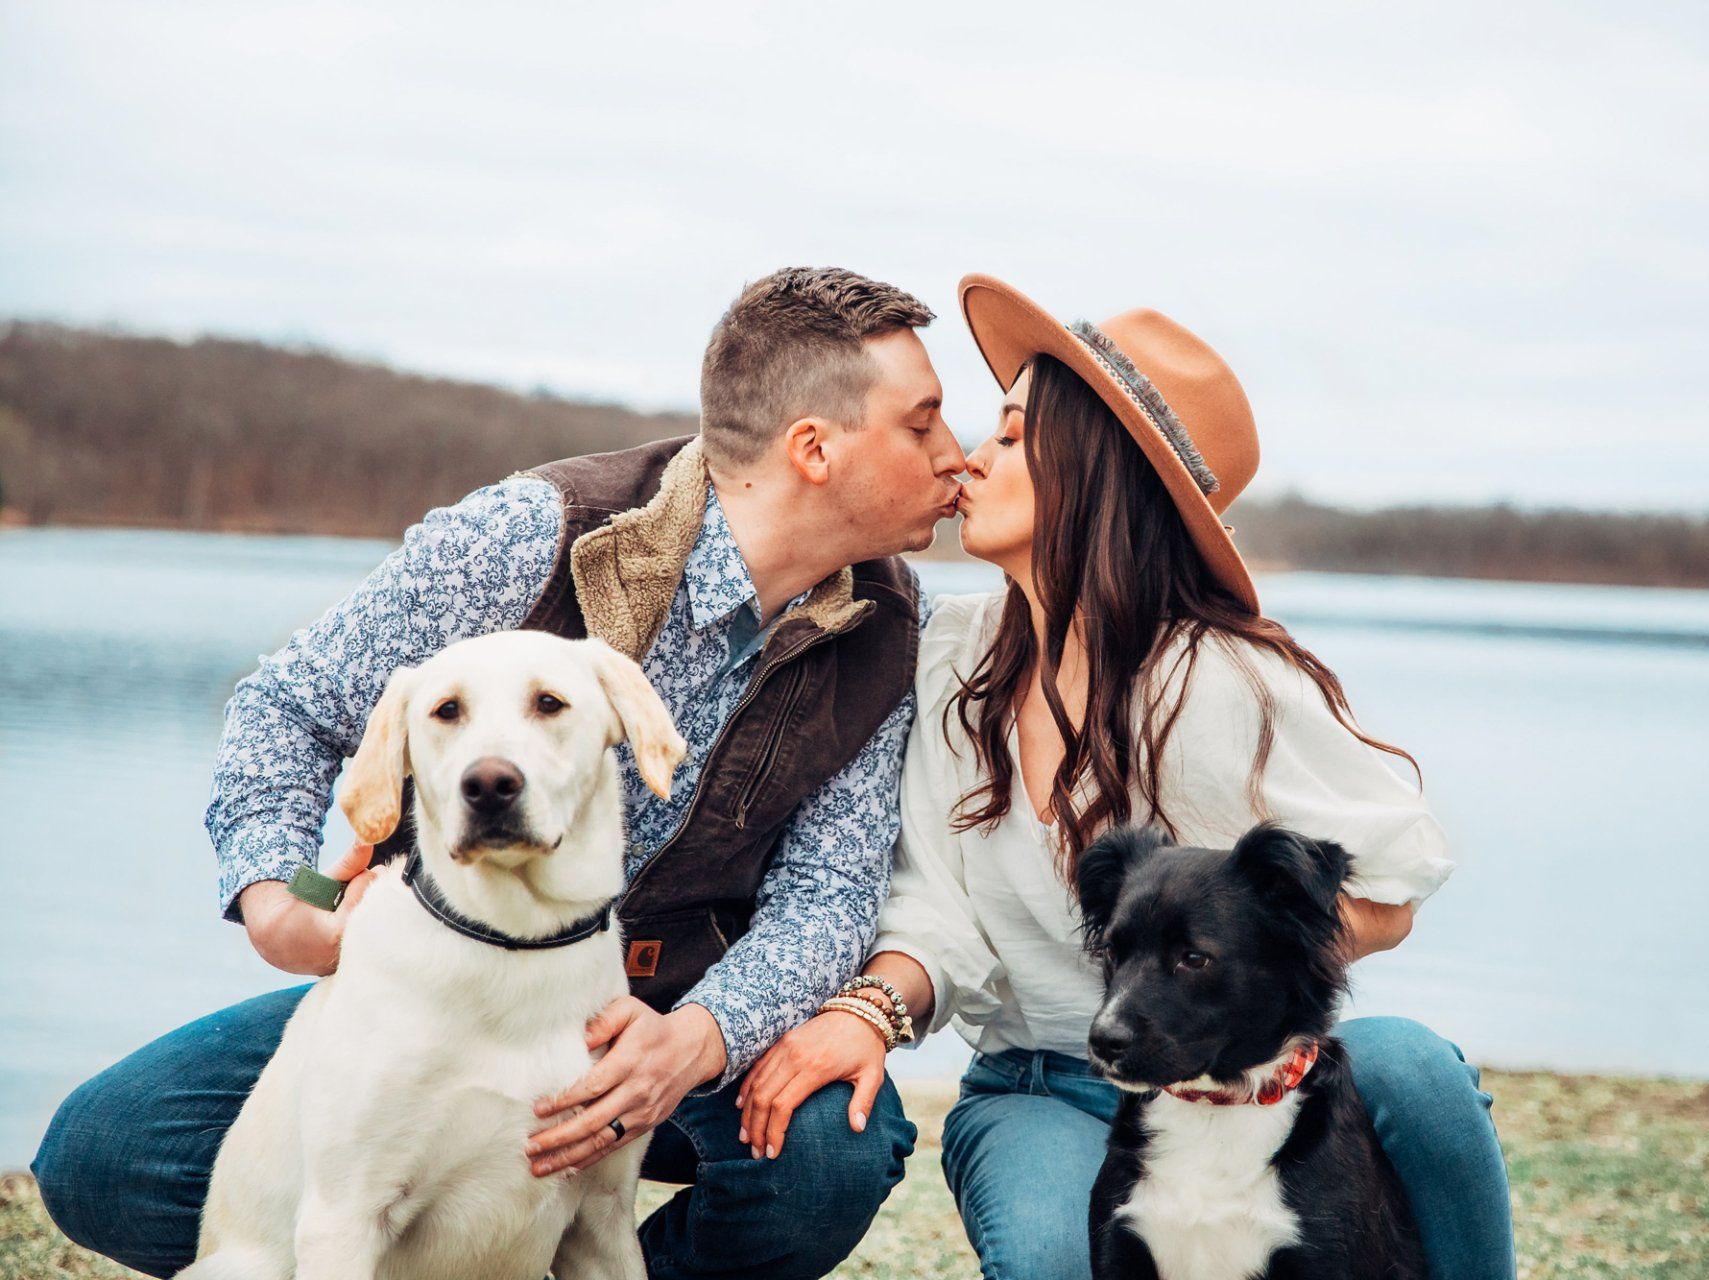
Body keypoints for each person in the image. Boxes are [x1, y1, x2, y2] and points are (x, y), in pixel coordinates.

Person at [33, 266, 969, 1280]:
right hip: (435, 989)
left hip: (672, 1011)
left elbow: (827, 898)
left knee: (826, 1156)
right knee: (105, 1155)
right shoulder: (532, 532)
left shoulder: (887, 626)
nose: (955, 455)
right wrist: (283, 897)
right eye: (923, 424)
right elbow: (287, 708)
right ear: (815, 447)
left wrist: (702, 1034)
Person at [738, 275, 1517, 1279]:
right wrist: (868, 1012)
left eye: (1012, 437)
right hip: (1043, 1084)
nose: (970, 456)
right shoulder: (947, 656)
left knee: (1410, 1064)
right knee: (1060, 1256)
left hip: (1237, 1077)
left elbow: (1391, 880)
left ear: (1093, 474)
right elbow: (936, 910)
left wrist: (1232, 930)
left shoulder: (1223, 676)